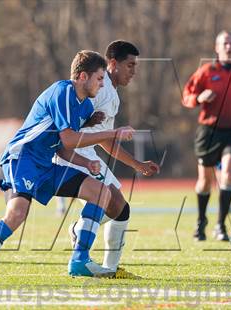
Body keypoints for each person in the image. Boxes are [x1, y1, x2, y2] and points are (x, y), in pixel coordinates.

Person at [0, 50, 136, 286]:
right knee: (17, 214)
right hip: (23, 159)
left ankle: (79, 261)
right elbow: (70, 138)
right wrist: (114, 132)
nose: (102, 85)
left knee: (101, 192)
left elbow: (62, 147)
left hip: (46, 162)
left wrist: (86, 163)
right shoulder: (63, 91)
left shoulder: (82, 107)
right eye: (99, 79)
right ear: (82, 76)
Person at [56, 40, 160, 278]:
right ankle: (86, 241)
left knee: (120, 208)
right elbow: (73, 114)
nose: (134, 71)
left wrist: (137, 165)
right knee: (116, 205)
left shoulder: (110, 93)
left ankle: (108, 266)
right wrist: (85, 122)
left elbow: (105, 140)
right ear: (113, 63)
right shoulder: (101, 89)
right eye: (130, 65)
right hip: (75, 154)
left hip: (87, 152)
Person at [182, 30, 231, 241]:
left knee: (229, 172)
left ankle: (221, 225)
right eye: (224, 43)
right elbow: (187, 96)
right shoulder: (206, 71)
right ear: (217, 47)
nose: (228, 47)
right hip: (209, 131)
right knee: (205, 181)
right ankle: (201, 221)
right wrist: (199, 98)